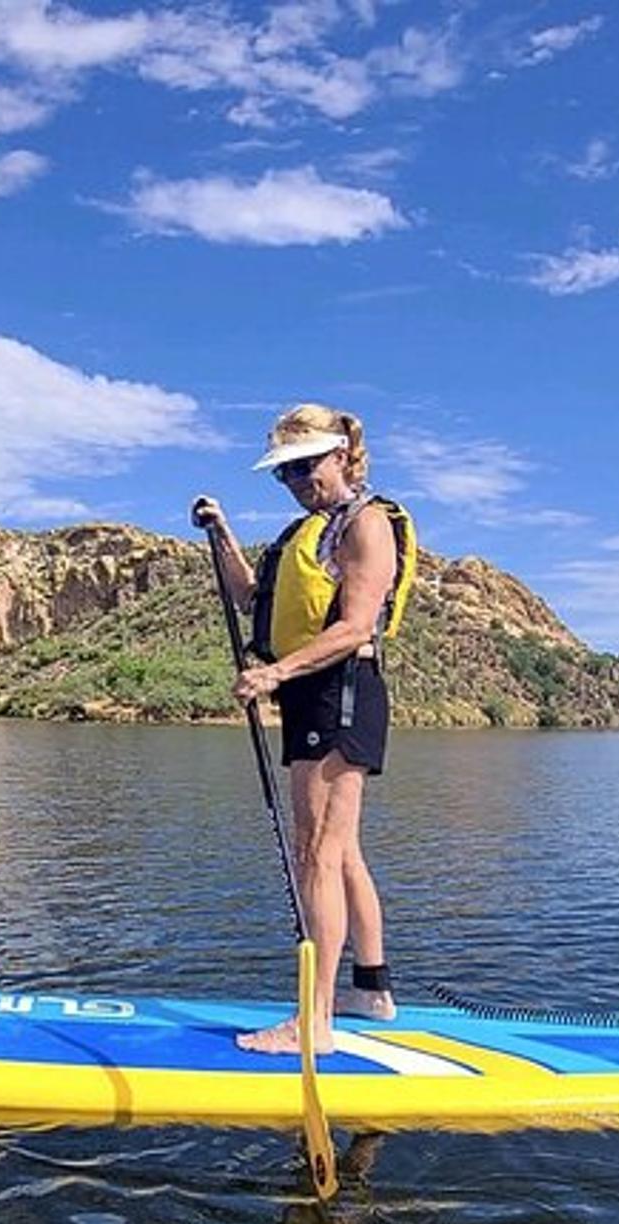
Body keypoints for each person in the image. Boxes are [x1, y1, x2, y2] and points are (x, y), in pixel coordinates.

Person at [191, 403, 417, 1054]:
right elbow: (248, 598)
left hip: (338, 691)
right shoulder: (304, 533)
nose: (294, 480)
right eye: (284, 472)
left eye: (304, 466)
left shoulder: (366, 523)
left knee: (315, 851)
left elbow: (354, 627)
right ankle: (371, 990)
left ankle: (313, 1024)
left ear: (341, 456)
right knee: (338, 851)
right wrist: (222, 533)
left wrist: (273, 673)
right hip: (312, 693)